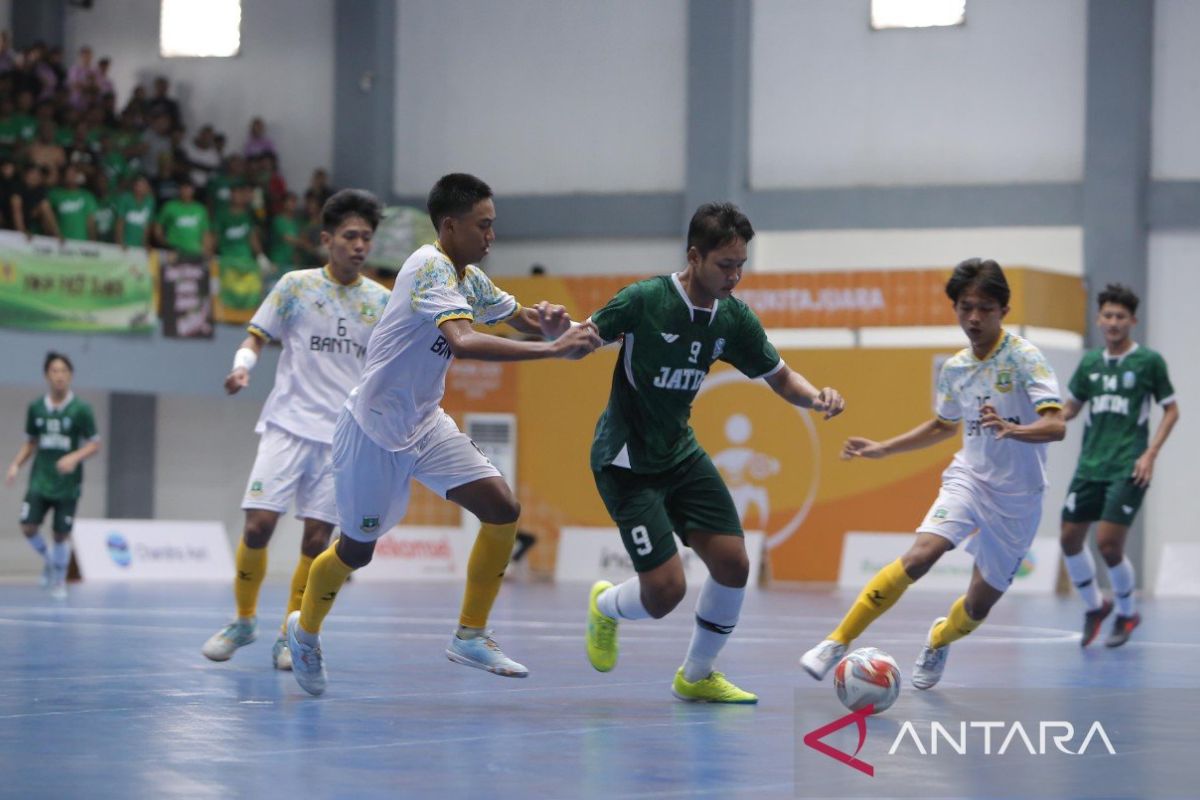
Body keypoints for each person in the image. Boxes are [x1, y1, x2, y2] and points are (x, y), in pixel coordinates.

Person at [284, 172, 602, 696]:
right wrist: (551, 351)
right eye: (483, 225)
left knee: (502, 507)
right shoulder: (430, 268)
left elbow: (514, 315)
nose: (491, 235)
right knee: (356, 551)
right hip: (373, 431)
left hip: (425, 423)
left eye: (493, 225)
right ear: (450, 225)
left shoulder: (467, 276)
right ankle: (305, 630)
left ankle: (470, 635)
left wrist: (544, 323)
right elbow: (463, 340)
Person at [582, 202, 845, 704]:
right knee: (664, 593)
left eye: (741, 264)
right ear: (695, 256)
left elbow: (781, 377)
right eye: (726, 265)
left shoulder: (733, 318)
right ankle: (606, 607)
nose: (735, 276)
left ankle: (697, 675)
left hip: (680, 454)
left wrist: (816, 397)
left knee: (733, 564)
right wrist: (556, 333)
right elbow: (584, 337)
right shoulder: (645, 299)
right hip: (627, 463)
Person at [799, 258, 1065, 691]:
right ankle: (835, 642)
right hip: (970, 481)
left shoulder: (1025, 359)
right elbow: (944, 426)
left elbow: (1056, 425)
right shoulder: (956, 368)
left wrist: (1014, 428)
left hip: (1020, 497)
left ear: (1004, 310)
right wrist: (883, 448)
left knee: (978, 605)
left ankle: (939, 639)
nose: (974, 318)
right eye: (965, 308)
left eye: (984, 308)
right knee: (920, 556)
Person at [201, 189, 392, 670]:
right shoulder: (294, 286)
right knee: (259, 525)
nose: (359, 245)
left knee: (314, 542)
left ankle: (292, 634)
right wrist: (242, 367)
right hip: (287, 425)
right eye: (349, 236)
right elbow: (256, 336)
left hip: (342, 439)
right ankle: (243, 621)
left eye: (366, 237)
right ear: (327, 239)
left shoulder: (382, 302)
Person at [1060, 283, 1179, 648]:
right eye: (1108, 315)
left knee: (1108, 545)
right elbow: (1070, 409)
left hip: (1128, 467)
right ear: (1099, 320)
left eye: (1120, 317)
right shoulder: (1091, 363)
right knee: (1069, 541)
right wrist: (1036, 421)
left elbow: (1171, 409)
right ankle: (1097, 606)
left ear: (1132, 321)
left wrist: (1150, 454)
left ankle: (1127, 614)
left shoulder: (1149, 362)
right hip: (1089, 466)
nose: (1113, 322)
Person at [5, 353, 101, 599]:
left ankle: (59, 580)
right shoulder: (36, 408)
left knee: (61, 533)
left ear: (70, 376)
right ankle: (50, 561)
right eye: (54, 371)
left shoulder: (81, 409)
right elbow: (31, 443)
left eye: (64, 371)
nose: (59, 375)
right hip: (40, 479)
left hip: (68, 484)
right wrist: (15, 464)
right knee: (28, 526)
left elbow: (94, 444)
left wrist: (73, 457)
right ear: (47, 375)